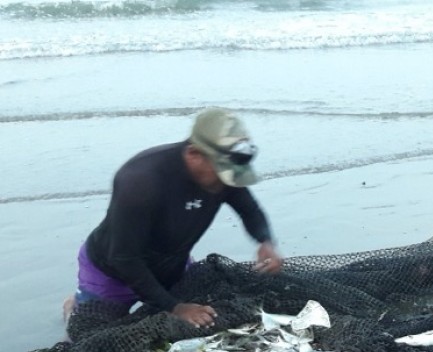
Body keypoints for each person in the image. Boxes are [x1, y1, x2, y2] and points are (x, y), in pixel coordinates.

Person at [64, 107, 283, 328]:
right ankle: (73, 306)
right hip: (112, 271)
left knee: (201, 324)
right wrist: (176, 307)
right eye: (221, 173)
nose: (225, 183)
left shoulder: (224, 173)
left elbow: (249, 210)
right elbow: (124, 258)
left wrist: (265, 241)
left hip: (173, 264)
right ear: (194, 154)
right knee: (88, 334)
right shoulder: (141, 181)